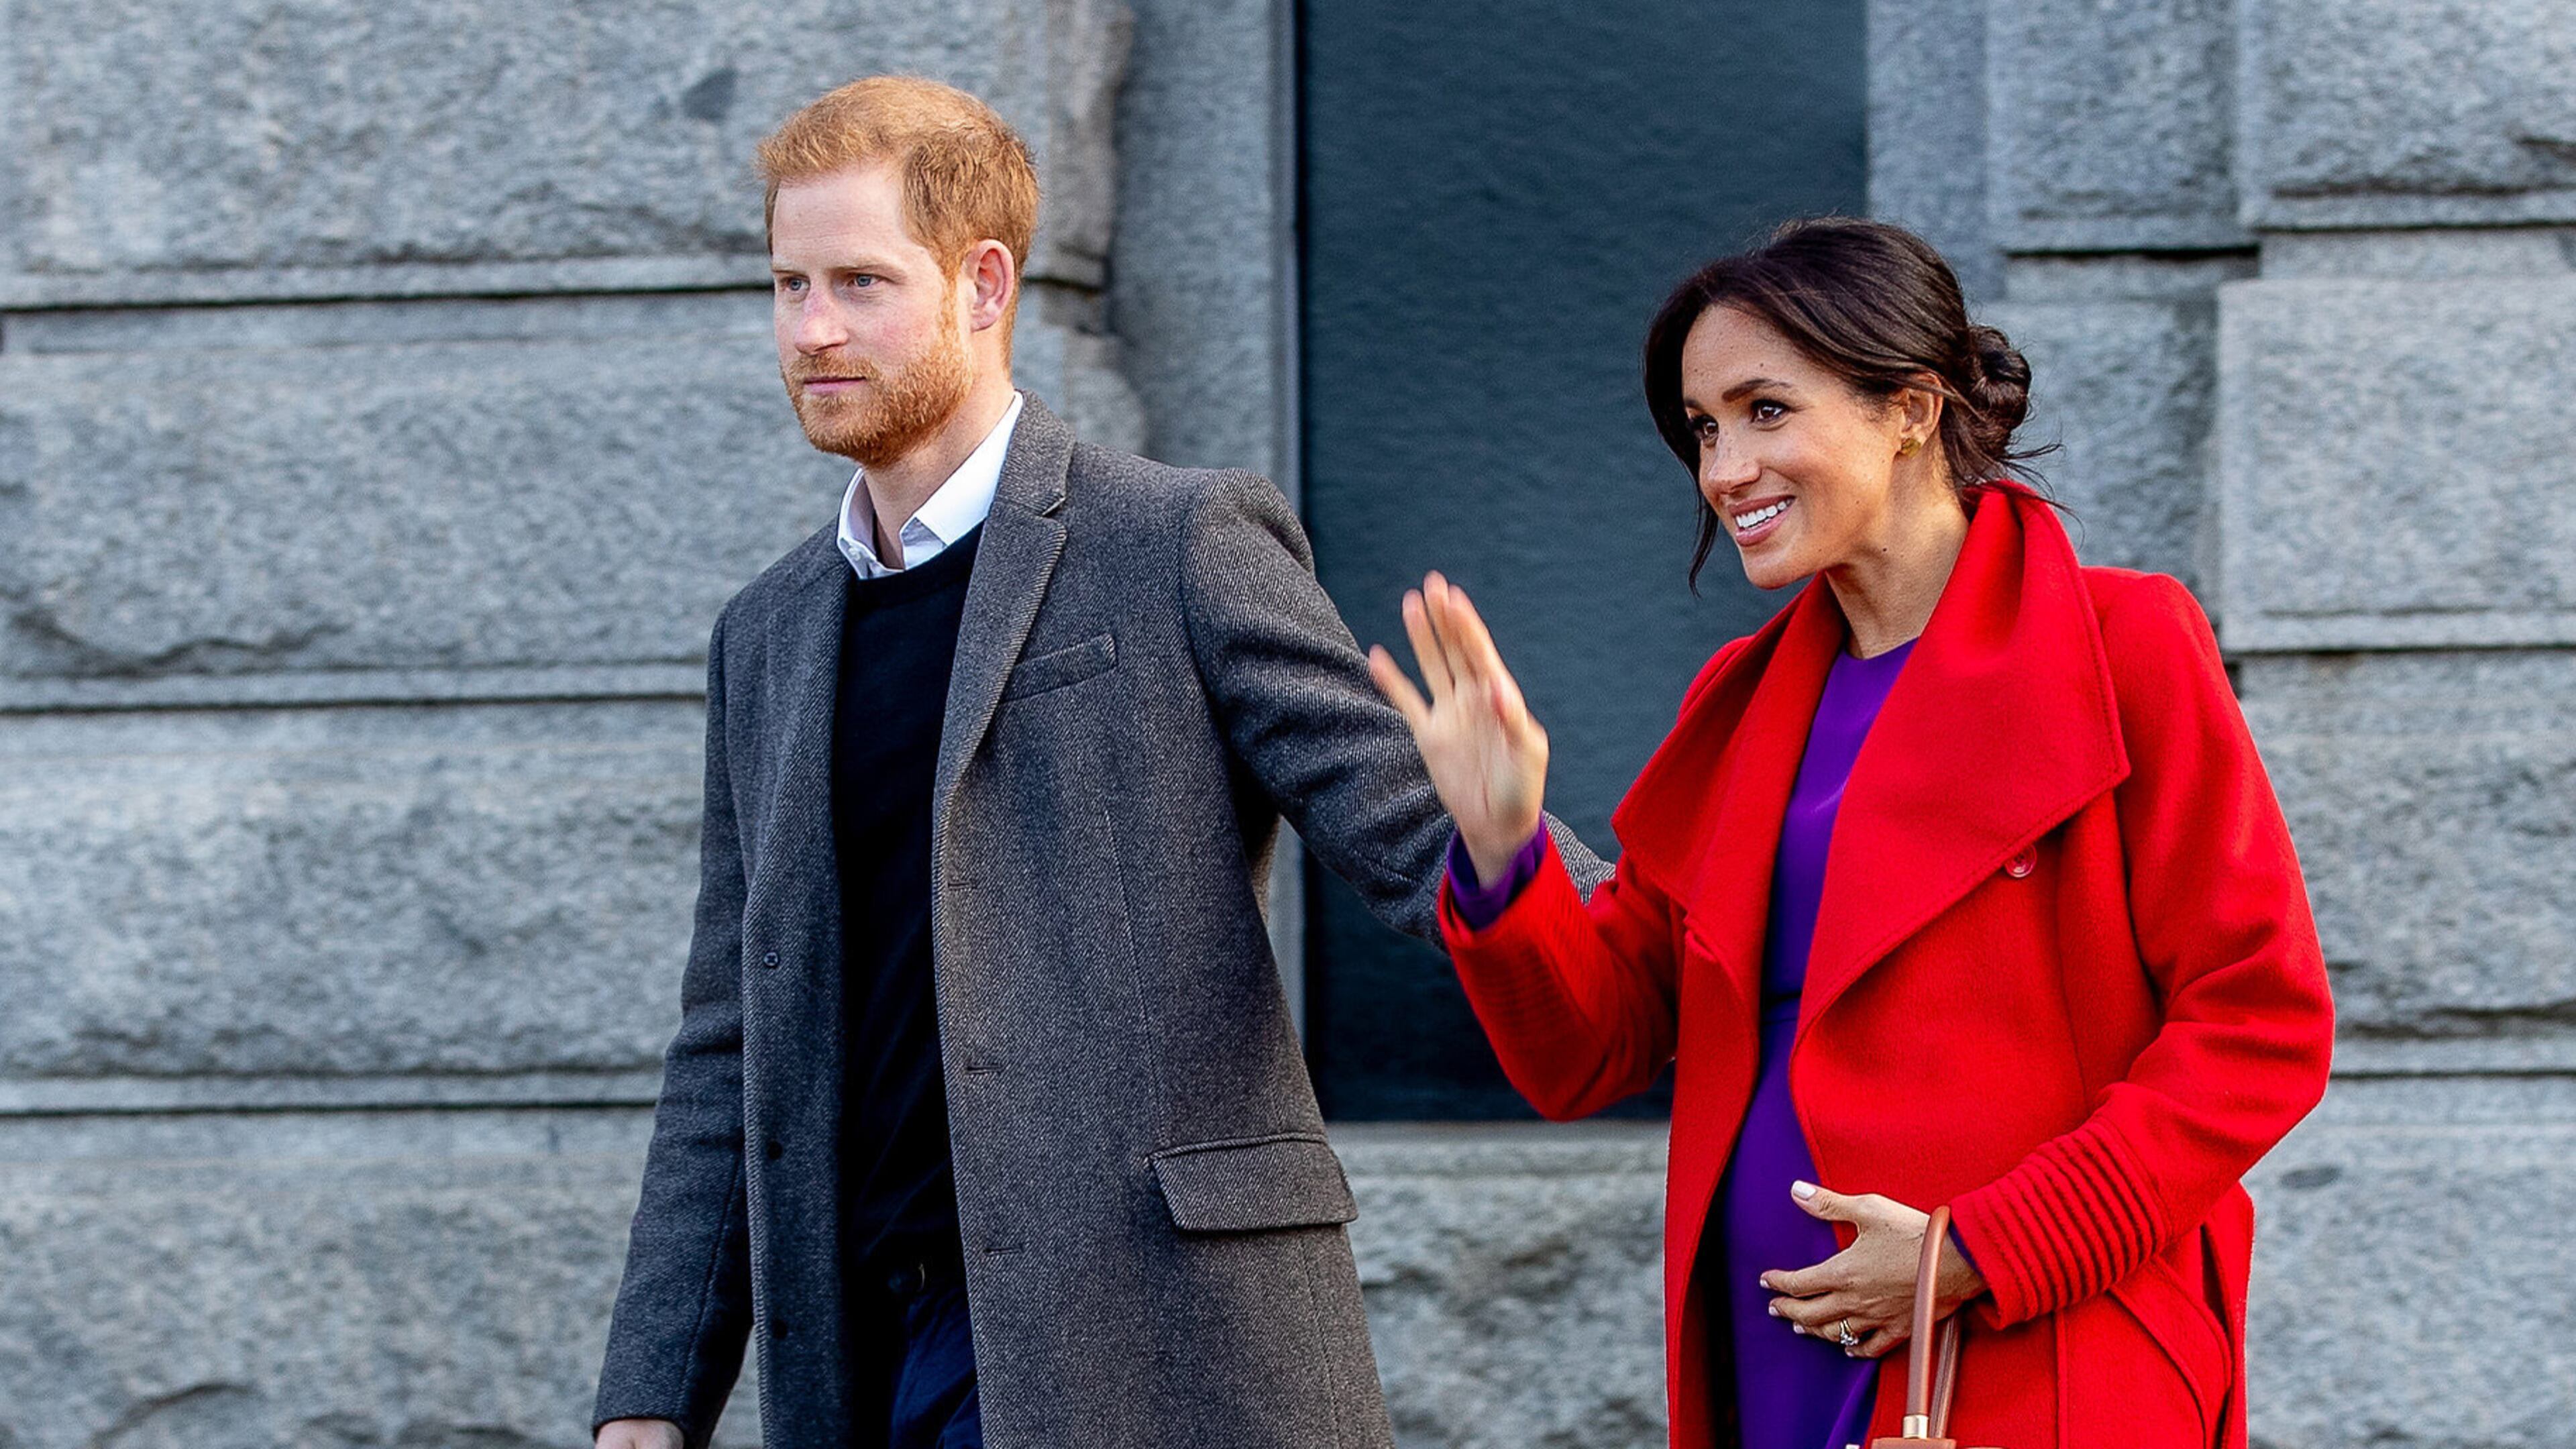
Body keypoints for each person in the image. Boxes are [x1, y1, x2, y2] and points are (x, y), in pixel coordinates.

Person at [590, 76, 1599, 1449]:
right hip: (865, 1356)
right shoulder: (764, 635)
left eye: (861, 284)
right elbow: (732, 1035)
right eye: (789, 285)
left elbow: (1412, 838)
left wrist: (1500, 843)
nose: (813, 330)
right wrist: (651, 1398)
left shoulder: (1177, 542)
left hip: (1159, 1344)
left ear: (984, 283)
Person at [1370, 217, 2334, 1449]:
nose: (1725, 469)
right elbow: (1592, 1050)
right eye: (1704, 428)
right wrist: (1504, 852)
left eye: (1765, 410)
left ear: (1913, 410)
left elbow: (2260, 1025)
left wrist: (1979, 1250)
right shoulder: (1742, 703)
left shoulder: (2124, 645)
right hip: (1774, 1349)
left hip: (2032, 1341)